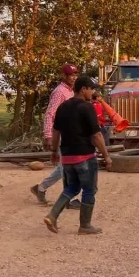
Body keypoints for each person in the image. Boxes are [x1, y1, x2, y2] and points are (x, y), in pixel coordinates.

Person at [43, 76, 112, 235]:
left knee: (72, 187)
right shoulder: (87, 108)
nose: (92, 92)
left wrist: (54, 151)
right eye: (91, 89)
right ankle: (85, 225)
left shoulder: (62, 107)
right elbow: (96, 136)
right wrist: (106, 156)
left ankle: (52, 216)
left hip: (67, 157)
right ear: (83, 89)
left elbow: (56, 132)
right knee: (89, 189)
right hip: (85, 156)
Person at [30, 64, 81, 208]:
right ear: (64, 76)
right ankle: (64, 198)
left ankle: (41, 188)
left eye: (75, 74)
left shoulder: (71, 92)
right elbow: (50, 113)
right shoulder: (59, 92)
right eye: (71, 75)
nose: (74, 77)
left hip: (69, 134)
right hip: (60, 134)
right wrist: (47, 135)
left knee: (66, 166)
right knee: (65, 167)